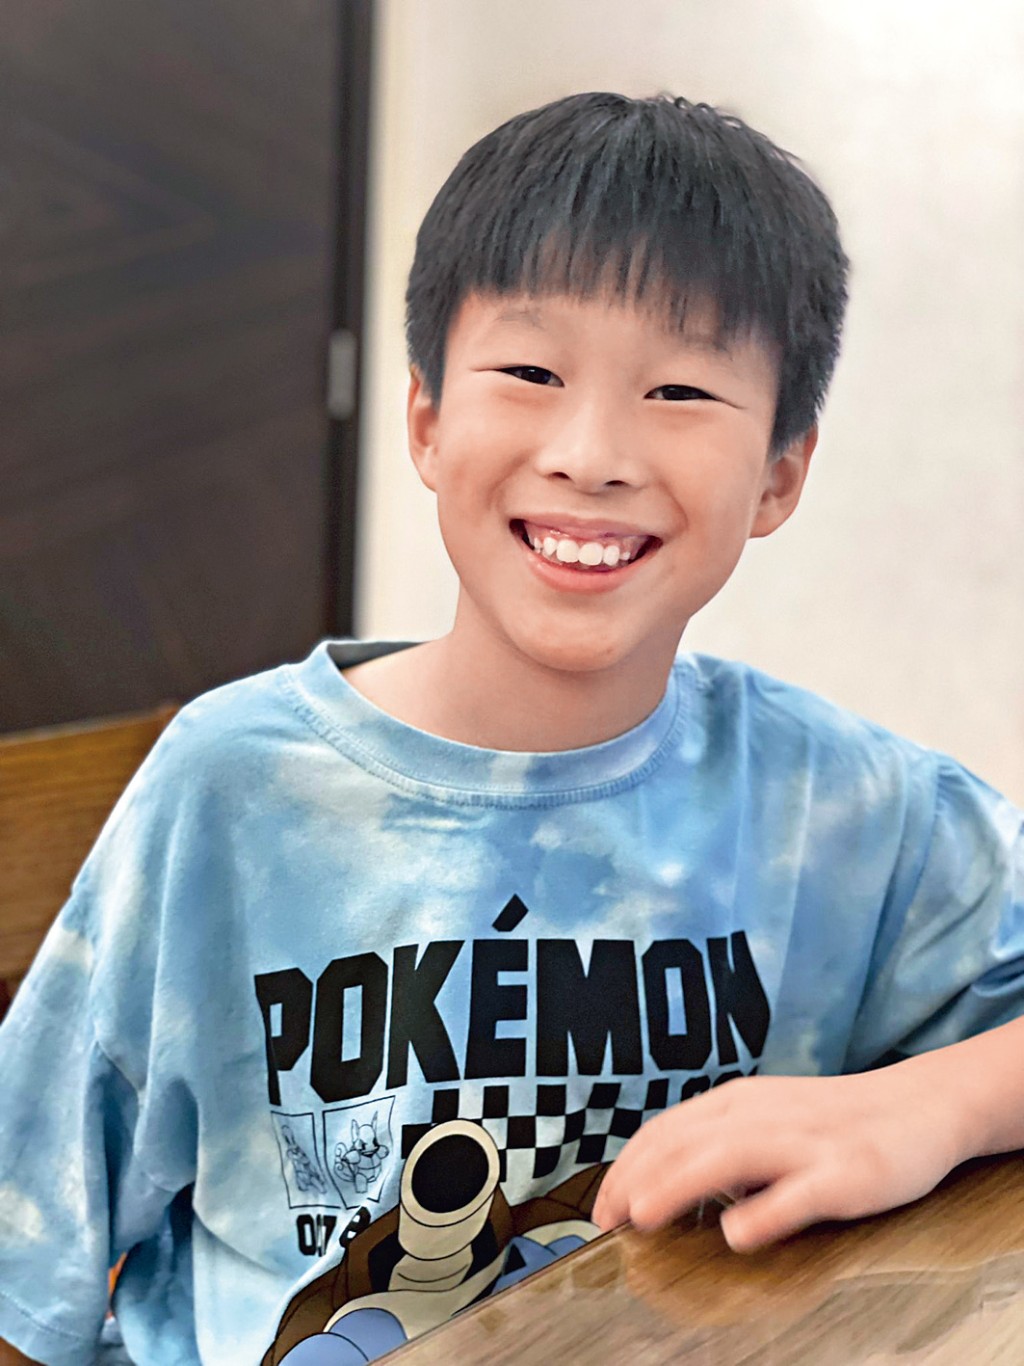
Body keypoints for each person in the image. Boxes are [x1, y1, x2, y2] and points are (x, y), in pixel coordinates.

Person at [1, 91, 1021, 1366]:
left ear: (778, 473)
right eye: (532, 373)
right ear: (426, 420)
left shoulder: (846, 811)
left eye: (680, 388)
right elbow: (27, 1263)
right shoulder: (230, 790)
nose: (591, 453)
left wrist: (923, 1109)